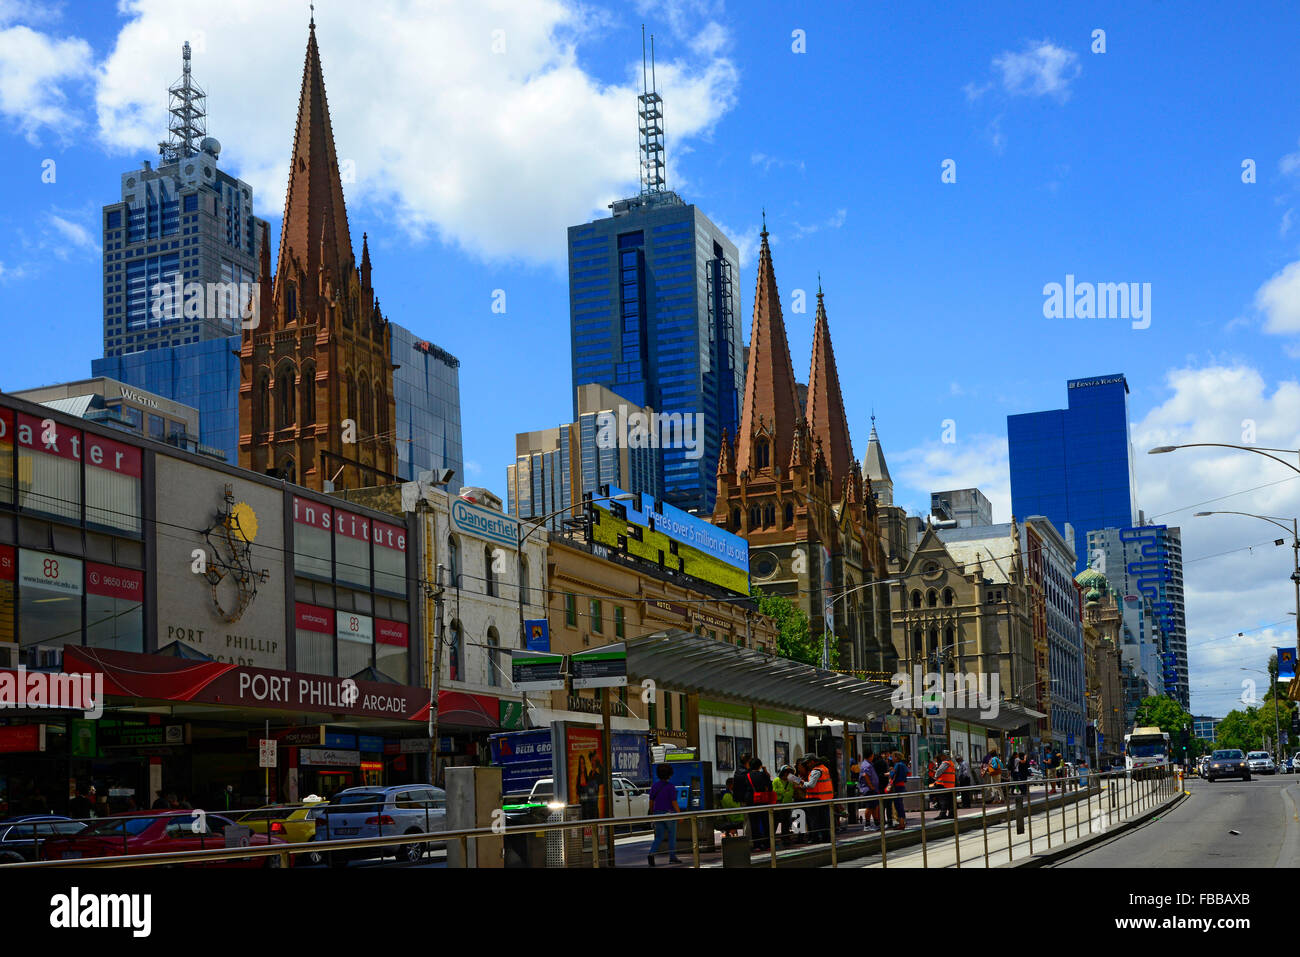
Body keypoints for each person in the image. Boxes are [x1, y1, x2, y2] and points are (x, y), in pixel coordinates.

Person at [792, 753, 833, 843]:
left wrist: (800, 783)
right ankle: (826, 838)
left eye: (807, 762)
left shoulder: (816, 771)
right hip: (825, 798)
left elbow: (810, 785)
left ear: (813, 762)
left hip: (815, 798)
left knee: (814, 820)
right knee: (824, 820)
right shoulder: (824, 768)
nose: (807, 765)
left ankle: (815, 838)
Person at [646, 764, 682, 866]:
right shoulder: (671, 787)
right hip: (669, 813)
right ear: (669, 775)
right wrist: (679, 814)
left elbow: (651, 801)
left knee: (659, 836)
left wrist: (652, 813)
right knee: (671, 835)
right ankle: (672, 857)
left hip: (657, 813)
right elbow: (674, 802)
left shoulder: (654, 786)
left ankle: (651, 854)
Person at [743, 757, 775, 850]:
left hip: (751, 801)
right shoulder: (763, 775)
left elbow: (744, 788)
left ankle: (757, 845)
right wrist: (765, 771)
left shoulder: (747, 775)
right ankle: (768, 844)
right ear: (760, 766)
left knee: (754, 823)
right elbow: (770, 787)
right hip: (763, 801)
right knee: (766, 823)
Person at [773, 764, 797, 845]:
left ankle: (785, 838)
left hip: (787, 805)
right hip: (778, 805)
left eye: (789, 773)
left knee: (786, 822)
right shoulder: (776, 780)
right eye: (786, 773)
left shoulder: (790, 781)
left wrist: (782, 792)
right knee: (775, 822)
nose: (787, 775)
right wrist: (784, 792)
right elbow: (774, 791)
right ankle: (772, 838)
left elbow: (791, 792)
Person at [859, 750, 882, 829]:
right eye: (872, 755)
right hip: (869, 789)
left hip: (873, 789)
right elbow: (865, 775)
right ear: (870, 756)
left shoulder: (869, 764)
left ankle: (876, 823)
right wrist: (871, 786)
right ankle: (867, 825)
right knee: (870, 807)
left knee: (874, 806)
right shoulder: (866, 765)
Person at [885, 752, 908, 829]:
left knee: (898, 805)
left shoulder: (897, 765)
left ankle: (901, 823)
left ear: (896, 757)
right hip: (902, 786)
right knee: (900, 804)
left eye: (893, 757)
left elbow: (892, 775)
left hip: (897, 786)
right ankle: (902, 822)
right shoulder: (903, 765)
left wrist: (890, 772)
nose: (892, 759)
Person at [933, 750, 957, 819]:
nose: (940, 757)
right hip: (950, 785)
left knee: (942, 800)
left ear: (944, 756)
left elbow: (939, 771)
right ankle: (951, 813)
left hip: (942, 784)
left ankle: (942, 814)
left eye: (941, 756)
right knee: (949, 800)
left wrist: (935, 776)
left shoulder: (945, 763)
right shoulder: (951, 763)